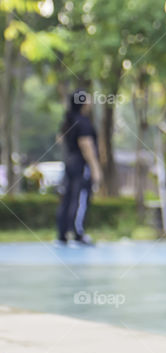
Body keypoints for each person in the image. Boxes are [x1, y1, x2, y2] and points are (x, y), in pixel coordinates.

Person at [55, 90, 101, 246]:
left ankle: (62, 233)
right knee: (80, 197)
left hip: (69, 162)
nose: (91, 101)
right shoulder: (83, 122)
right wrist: (95, 168)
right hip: (81, 164)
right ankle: (77, 232)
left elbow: (60, 139)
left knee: (67, 197)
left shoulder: (68, 121)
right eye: (88, 98)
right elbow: (86, 144)